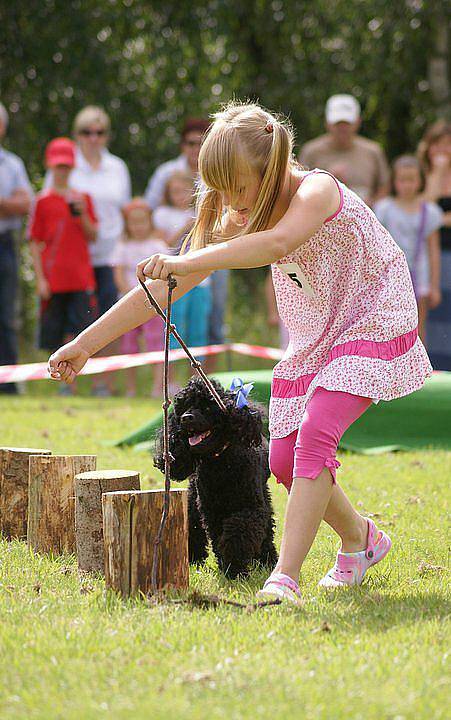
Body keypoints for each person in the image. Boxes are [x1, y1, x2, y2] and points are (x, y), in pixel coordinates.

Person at [48, 102, 432, 605]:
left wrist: (189, 258)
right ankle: (361, 539)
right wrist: (85, 345)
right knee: (283, 460)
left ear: (270, 170)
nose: (231, 201)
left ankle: (284, 580)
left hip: (372, 311)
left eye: (238, 187)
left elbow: (276, 243)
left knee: (316, 433)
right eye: (222, 188)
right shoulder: (240, 211)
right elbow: (165, 288)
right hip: (321, 326)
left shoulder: (316, 191)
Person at [46, 105, 132, 395]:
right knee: (73, 320)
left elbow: (125, 212)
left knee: (110, 317)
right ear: (77, 135)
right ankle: (66, 382)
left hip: (110, 255)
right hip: (74, 259)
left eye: (99, 132)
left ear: (106, 136)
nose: (93, 138)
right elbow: (50, 207)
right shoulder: (67, 166)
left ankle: (102, 384)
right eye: (86, 132)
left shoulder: (118, 167)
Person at [29, 138, 97, 395]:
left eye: (67, 166)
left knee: (78, 331)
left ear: (73, 167)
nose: (62, 171)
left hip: (80, 278)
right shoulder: (42, 201)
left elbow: (93, 236)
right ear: (50, 166)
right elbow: (35, 242)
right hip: (54, 279)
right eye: (58, 166)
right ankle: (57, 381)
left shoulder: (84, 198)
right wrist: (40, 280)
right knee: (54, 332)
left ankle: (74, 383)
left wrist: (83, 216)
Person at [374, 156, 442, 343]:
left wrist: (434, 285)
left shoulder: (429, 211)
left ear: (420, 180)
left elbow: (433, 250)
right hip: (389, 276)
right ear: (394, 181)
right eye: (402, 179)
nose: (407, 185)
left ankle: (419, 368)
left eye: (411, 179)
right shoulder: (384, 208)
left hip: (419, 275)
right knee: (389, 324)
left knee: (419, 325)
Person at [153, 170, 211, 391]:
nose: (179, 196)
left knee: (198, 331)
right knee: (174, 331)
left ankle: (197, 380)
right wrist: (185, 228)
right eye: (174, 191)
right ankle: (170, 381)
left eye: (183, 191)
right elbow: (162, 245)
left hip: (201, 282)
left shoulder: (201, 213)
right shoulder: (162, 214)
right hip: (173, 280)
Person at [112, 198, 165, 397]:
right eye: (133, 222)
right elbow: (118, 276)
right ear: (127, 224)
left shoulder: (158, 245)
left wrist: (150, 297)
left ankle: (158, 387)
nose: (138, 226)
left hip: (154, 305)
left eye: (142, 221)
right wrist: (131, 295)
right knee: (128, 347)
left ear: (150, 221)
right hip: (127, 304)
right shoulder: (122, 247)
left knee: (156, 344)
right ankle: (130, 389)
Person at [299, 94, 390, 206]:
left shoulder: (373, 151)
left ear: (358, 122)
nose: (342, 128)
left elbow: (384, 186)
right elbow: (299, 189)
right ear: (327, 123)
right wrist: (327, 179)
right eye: (338, 124)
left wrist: (369, 207)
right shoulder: (311, 152)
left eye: (347, 123)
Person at [0, 101, 33, 394]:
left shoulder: (11, 164)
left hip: (4, 246)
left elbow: (24, 203)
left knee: (7, 316)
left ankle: (8, 385)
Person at [418, 120, 451, 370]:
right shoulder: (420, 175)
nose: (443, 150)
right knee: (431, 310)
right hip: (429, 254)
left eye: (447, 145)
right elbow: (424, 211)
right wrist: (438, 173)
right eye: (437, 145)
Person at [144, 118, 210, 211]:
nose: (196, 148)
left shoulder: (217, 173)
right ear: (182, 145)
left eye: (201, 143)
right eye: (191, 143)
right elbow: (149, 205)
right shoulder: (165, 172)